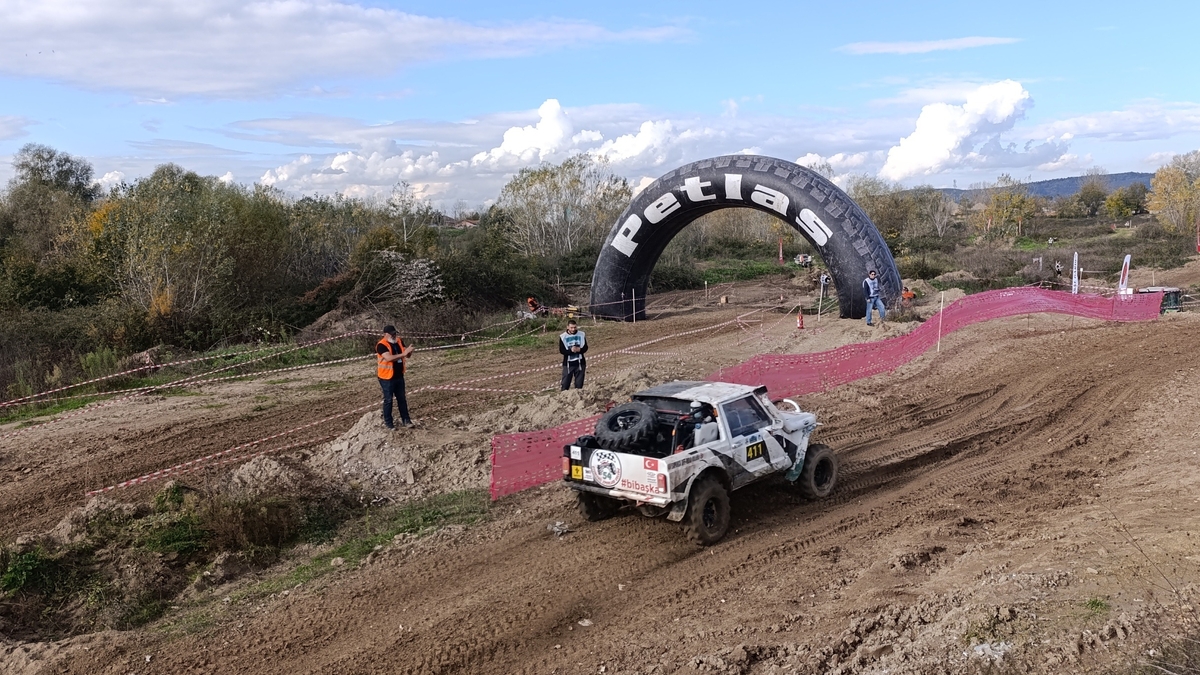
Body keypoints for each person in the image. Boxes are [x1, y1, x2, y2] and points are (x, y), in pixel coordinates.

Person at [376, 325, 414, 429]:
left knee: (402, 399)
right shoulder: (381, 345)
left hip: (399, 375)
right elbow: (388, 358)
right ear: (385, 334)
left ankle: (406, 420)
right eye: (392, 333)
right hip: (386, 378)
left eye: (395, 333)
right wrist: (404, 353)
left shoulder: (399, 341)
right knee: (388, 400)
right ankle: (389, 423)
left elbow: (406, 355)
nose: (394, 335)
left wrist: (409, 353)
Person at [558, 319, 587, 390]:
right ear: (567, 327)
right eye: (571, 328)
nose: (573, 329)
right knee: (565, 384)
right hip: (568, 364)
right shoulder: (563, 337)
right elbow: (562, 351)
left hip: (580, 363)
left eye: (574, 327)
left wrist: (580, 350)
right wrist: (571, 351)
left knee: (579, 385)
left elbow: (585, 347)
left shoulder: (582, 334)